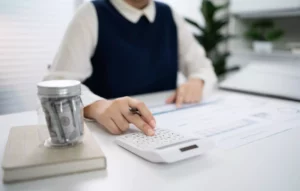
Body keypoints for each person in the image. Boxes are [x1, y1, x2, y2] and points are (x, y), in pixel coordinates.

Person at [46, 0, 217, 136]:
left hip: (166, 130)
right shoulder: (90, 13)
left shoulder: (169, 15)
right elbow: (57, 85)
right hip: (113, 137)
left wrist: (198, 80)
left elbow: (202, 66)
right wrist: (95, 106)